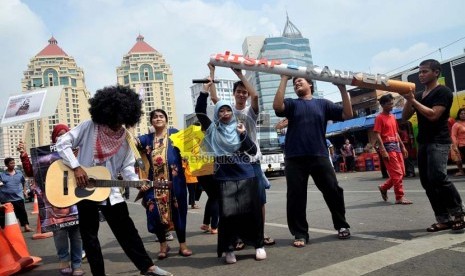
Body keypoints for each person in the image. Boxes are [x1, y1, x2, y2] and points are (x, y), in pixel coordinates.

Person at [56, 85, 171, 276]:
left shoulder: (126, 137)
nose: (119, 123)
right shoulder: (89, 127)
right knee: (90, 237)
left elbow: (126, 166)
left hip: (112, 192)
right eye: (115, 118)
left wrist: (137, 181)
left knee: (127, 231)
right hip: (84, 190)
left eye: (123, 119)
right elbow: (62, 143)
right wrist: (76, 167)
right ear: (107, 113)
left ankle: (147, 267)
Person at [273, 75, 352, 246]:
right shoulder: (292, 104)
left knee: (333, 190)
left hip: (319, 155)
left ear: (310, 83)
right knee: (296, 196)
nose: (297, 83)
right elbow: (278, 107)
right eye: (294, 83)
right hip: (294, 157)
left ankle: (341, 225)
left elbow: (347, 114)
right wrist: (284, 79)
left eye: (299, 80)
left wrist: (342, 89)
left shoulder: (322, 104)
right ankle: (300, 233)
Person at [196, 82, 265, 264]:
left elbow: (251, 151)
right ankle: (229, 249)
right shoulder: (213, 130)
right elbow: (200, 113)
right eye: (221, 111)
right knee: (227, 215)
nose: (225, 113)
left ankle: (258, 245)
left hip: (246, 174)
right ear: (217, 113)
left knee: (252, 212)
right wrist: (204, 92)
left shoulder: (239, 128)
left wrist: (243, 135)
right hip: (224, 178)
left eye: (228, 110)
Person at [209, 63, 275, 247]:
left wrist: (239, 74)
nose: (241, 94)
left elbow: (255, 95)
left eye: (244, 91)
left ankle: (259, 235)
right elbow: (214, 97)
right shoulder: (227, 111)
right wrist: (212, 71)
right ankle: (238, 237)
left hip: (252, 161)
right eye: (238, 91)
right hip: (232, 164)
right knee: (235, 203)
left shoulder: (250, 112)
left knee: (259, 200)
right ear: (234, 93)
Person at [402, 59, 465, 232]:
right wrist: (409, 100)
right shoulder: (420, 95)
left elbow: (433, 115)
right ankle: (443, 219)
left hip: (439, 141)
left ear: (436, 72)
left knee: (438, 177)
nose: (421, 75)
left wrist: (413, 101)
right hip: (423, 141)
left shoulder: (443, 91)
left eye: (424, 71)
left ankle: (458, 213)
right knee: (427, 182)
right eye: (420, 72)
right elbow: (405, 117)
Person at [18, 124, 85, 275]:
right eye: (58, 135)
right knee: (60, 234)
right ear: (54, 138)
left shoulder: (79, 151)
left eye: (65, 134)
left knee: (77, 234)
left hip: (76, 200)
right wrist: (23, 155)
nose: (62, 137)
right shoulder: (45, 155)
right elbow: (31, 171)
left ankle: (77, 264)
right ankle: (63, 260)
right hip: (55, 202)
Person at [136, 109, 192, 260]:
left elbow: (193, 146)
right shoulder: (147, 139)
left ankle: (182, 244)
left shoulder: (176, 134)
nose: (158, 118)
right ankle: (163, 244)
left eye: (161, 116)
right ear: (151, 121)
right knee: (154, 212)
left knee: (179, 212)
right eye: (155, 117)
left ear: (166, 120)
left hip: (176, 182)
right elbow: (131, 142)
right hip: (154, 184)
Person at [374, 94, 412, 205]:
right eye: (389, 104)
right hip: (388, 147)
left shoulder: (393, 117)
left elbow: (396, 133)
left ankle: (384, 187)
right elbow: (377, 134)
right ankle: (399, 197)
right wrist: (383, 150)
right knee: (397, 174)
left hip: (396, 146)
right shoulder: (379, 118)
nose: (391, 105)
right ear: (382, 105)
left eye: (392, 103)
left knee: (402, 173)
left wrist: (402, 146)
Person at [0, 157, 32, 232]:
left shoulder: (19, 173)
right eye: (11, 163)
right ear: (6, 165)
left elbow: (23, 182)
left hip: (18, 197)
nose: (13, 164)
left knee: (22, 213)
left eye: (14, 163)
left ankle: (26, 226)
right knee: (6, 216)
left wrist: (24, 192)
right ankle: (8, 229)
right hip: (6, 199)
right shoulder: (2, 175)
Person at [451, 108, 465, 176]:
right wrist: (455, 146)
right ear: (458, 115)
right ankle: (461, 171)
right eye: (461, 114)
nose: (463, 115)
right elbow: (453, 136)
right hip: (462, 144)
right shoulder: (456, 124)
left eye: (464, 113)